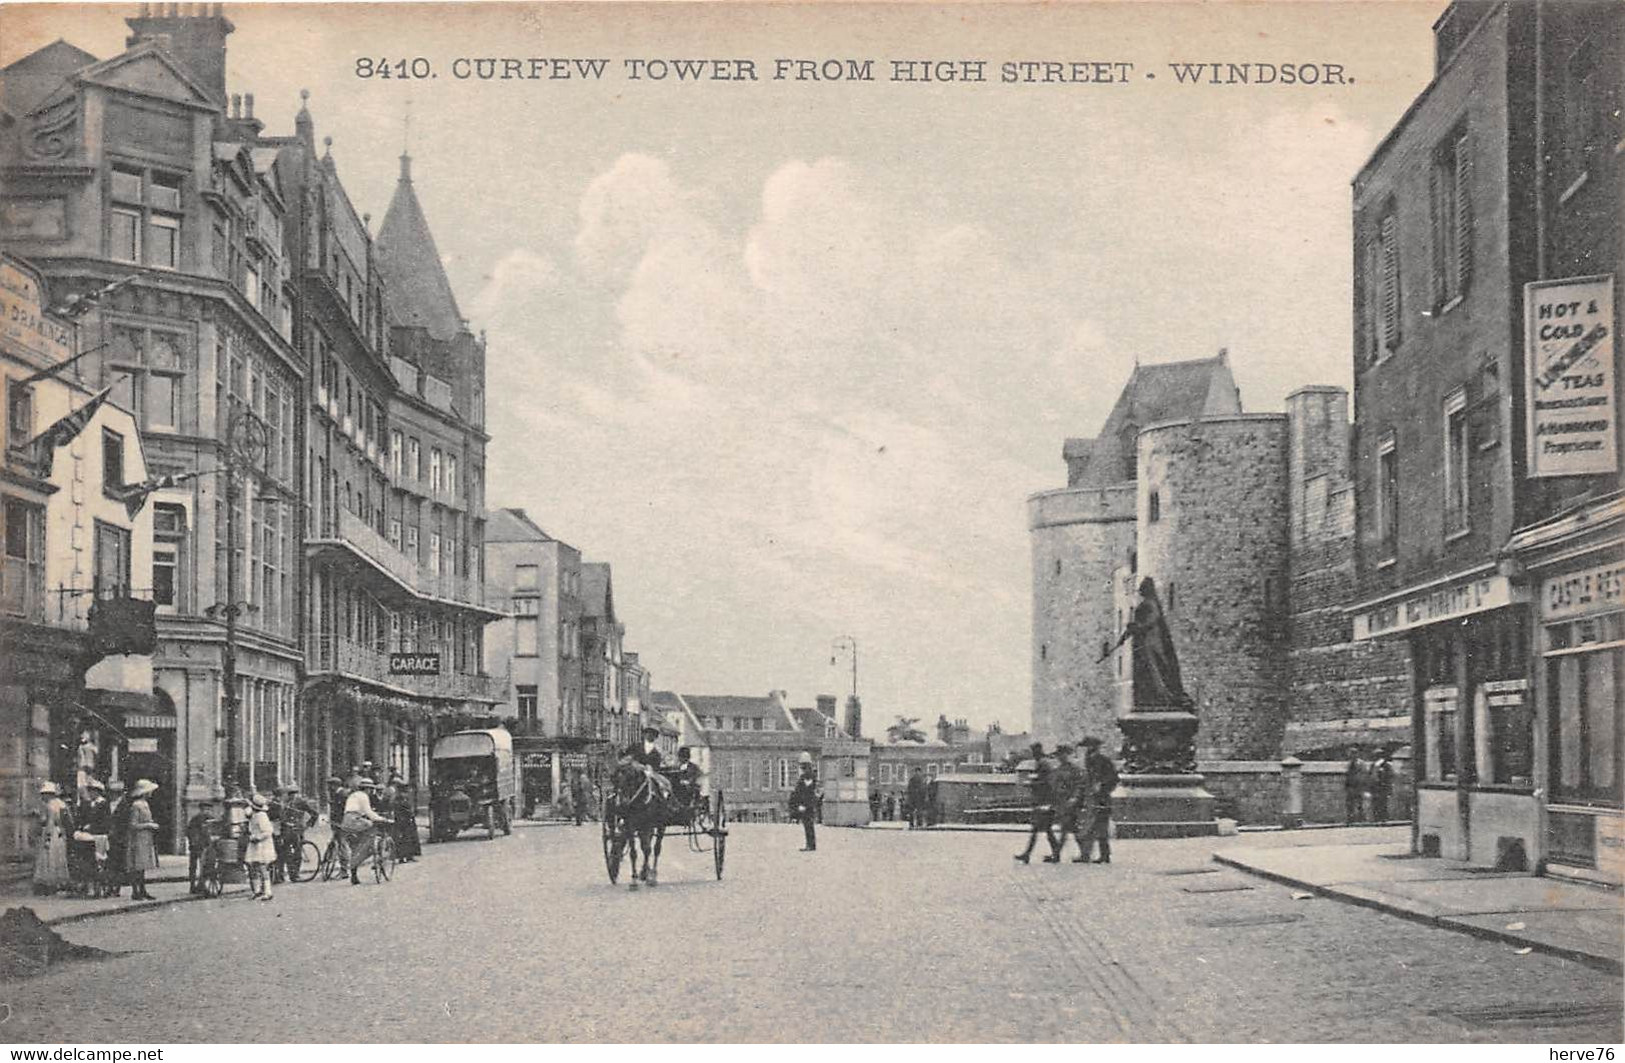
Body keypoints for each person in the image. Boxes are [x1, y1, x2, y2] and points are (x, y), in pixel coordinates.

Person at [340, 778, 391, 885]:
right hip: (355, 821)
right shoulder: (363, 796)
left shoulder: (353, 795)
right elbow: (369, 812)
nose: (371, 791)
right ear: (367, 789)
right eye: (370, 789)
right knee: (370, 834)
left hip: (347, 821)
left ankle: (354, 875)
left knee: (355, 847)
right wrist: (381, 819)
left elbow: (355, 810)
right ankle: (373, 849)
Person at [1015, 743, 1059, 864]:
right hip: (1045, 801)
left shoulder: (1043, 764)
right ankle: (1055, 853)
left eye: (1034, 751)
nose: (1033, 754)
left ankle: (1027, 854)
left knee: (1037, 828)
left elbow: (1046, 783)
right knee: (1046, 829)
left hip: (1044, 801)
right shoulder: (1042, 763)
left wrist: (1031, 783)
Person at [1047, 746, 1092, 863]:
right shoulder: (1057, 770)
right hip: (1062, 803)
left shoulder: (1074, 770)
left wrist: (1074, 798)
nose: (1061, 757)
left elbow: (1079, 785)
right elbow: (1054, 788)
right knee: (1072, 830)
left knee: (1065, 829)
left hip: (1071, 804)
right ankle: (1084, 854)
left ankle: (1056, 855)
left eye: (1063, 754)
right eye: (1059, 755)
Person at [1080, 737, 1119, 864]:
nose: (1088, 749)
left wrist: (1102, 785)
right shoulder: (1089, 760)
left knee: (1098, 827)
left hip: (1102, 798)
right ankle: (1099, 854)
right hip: (1092, 797)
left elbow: (1114, 778)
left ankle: (1101, 855)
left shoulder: (1103, 761)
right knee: (1095, 827)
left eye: (1090, 746)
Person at [33, 782, 72, 895]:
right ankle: (60, 882)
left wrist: (46, 836)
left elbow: (47, 822)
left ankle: (50, 883)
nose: (43, 797)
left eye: (44, 794)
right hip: (60, 833)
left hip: (52, 832)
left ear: (49, 794)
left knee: (49, 856)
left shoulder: (50, 805)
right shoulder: (62, 804)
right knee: (59, 856)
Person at [273, 785, 318, 882]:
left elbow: (314, 813)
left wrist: (307, 825)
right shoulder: (283, 802)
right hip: (285, 830)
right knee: (283, 853)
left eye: (293, 794)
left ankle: (295, 875)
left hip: (297, 830)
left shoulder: (301, 802)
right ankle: (280, 876)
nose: (291, 796)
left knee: (297, 853)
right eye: (290, 794)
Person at [125, 779, 161, 900]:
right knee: (137, 866)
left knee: (142, 866)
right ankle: (136, 891)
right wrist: (149, 825)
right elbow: (133, 825)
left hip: (145, 839)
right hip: (138, 839)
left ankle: (142, 890)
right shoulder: (136, 805)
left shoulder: (145, 804)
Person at [69, 780, 104, 896]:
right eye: (90, 791)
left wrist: (93, 826)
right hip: (86, 837)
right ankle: (86, 885)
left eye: (93, 791)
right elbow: (81, 818)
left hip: (98, 836)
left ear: (98, 792)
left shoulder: (103, 804)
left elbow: (105, 821)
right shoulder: (86, 804)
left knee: (98, 861)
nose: (91, 793)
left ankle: (97, 887)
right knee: (86, 861)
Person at [244, 793, 278, 901]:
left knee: (262, 867)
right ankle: (257, 890)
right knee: (253, 866)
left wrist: (257, 837)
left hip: (262, 845)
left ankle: (268, 892)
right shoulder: (254, 815)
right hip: (255, 844)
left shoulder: (262, 816)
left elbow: (268, 831)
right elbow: (247, 814)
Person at [186, 800, 220, 895]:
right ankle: (192, 885)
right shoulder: (195, 819)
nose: (207, 811)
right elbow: (190, 832)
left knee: (205, 865)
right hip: (196, 845)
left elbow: (214, 832)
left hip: (206, 846)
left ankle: (202, 884)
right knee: (193, 866)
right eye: (205, 809)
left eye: (209, 809)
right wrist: (194, 842)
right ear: (201, 809)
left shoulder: (211, 819)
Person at [788, 752, 820, 852]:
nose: (801, 767)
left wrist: (803, 805)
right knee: (807, 824)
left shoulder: (808, 777)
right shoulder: (808, 776)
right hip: (808, 804)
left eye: (803, 765)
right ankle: (810, 844)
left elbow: (806, 792)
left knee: (808, 825)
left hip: (807, 805)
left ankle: (810, 845)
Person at [105, 780, 129, 898]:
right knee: (110, 863)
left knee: (118, 864)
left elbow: (125, 824)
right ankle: (110, 886)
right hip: (109, 838)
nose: (111, 795)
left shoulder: (125, 806)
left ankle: (116, 888)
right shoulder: (107, 804)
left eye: (113, 793)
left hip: (119, 839)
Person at [391, 779, 421, 862]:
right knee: (406, 838)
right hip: (404, 820)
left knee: (404, 838)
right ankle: (406, 856)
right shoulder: (401, 797)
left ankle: (405, 857)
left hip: (403, 820)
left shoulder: (398, 797)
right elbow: (404, 808)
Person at [1371, 752, 1393, 823]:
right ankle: (1377, 818)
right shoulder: (1374, 765)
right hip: (1375, 787)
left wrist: (1389, 788)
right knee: (1376, 803)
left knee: (1383, 803)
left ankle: (1383, 818)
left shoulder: (1386, 765)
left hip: (1383, 787)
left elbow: (1389, 777)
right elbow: (1370, 776)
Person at [1345, 753, 1366, 824]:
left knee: (1360, 803)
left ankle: (1361, 818)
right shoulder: (1349, 763)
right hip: (1351, 786)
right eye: (1351, 754)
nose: (1352, 756)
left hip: (1359, 786)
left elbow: (1363, 774)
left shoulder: (1361, 763)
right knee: (1350, 803)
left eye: (1353, 754)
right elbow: (1348, 775)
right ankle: (1351, 818)